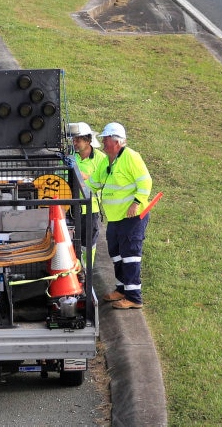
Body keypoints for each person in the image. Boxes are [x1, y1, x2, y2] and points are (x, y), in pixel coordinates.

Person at [90, 122, 153, 310]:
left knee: (130, 255)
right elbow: (94, 183)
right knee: (116, 254)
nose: (103, 142)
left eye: (106, 139)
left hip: (132, 217)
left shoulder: (131, 157)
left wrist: (136, 202)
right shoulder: (107, 160)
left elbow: (145, 181)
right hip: (116, 217)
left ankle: (134, 297)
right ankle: (122, 289)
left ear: (117, 142)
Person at [67, 121, 106, 262]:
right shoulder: (70, 157)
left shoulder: (102, 159)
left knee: (88, 244)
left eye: (77, 140)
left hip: (90, 208)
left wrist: (82, 176)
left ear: (88, 140)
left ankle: (87, 274)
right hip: (69, 206)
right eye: (73, 139)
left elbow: (102, 182)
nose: (74, 143)